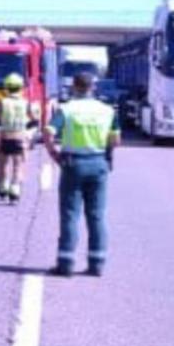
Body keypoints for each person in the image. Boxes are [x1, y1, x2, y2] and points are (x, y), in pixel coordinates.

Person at [43, 72, 119, 278]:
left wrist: (54, 154)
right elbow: (115, 139)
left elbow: (49, 132)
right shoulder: (107, 110)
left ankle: (66, 264)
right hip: (99, 163)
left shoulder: (67, 109)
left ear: (74, 87)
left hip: (73, 164)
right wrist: (108, 156)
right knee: (97, 216)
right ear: (93, 87)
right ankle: (97, 264)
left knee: (70, 215)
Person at [0, 73, 36, 204]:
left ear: (7, 87)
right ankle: (15, 190)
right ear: (21, 87)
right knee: (18, 165)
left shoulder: (2, 102)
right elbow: (34, 119)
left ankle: (2, 188)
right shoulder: (26, 103)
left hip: (5, 137)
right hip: (20, 138)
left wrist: (1, 122)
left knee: (2, 164)